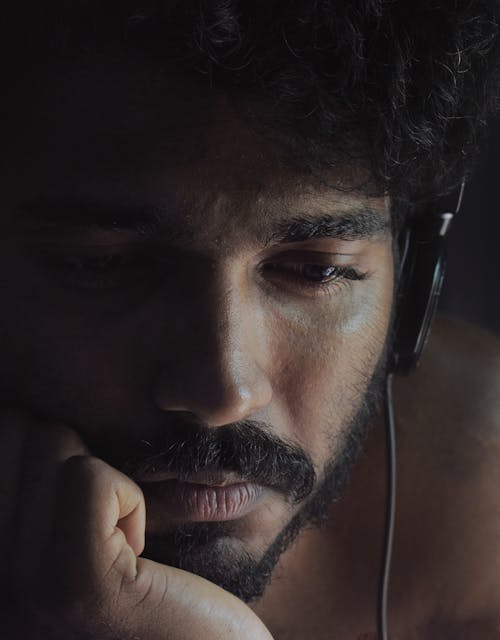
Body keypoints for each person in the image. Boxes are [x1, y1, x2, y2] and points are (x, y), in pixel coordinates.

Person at [1, 2, 499, 638]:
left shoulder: (479, 510)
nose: (222, 392)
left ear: (412, 288)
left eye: (316, 271)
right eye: (104, 265)